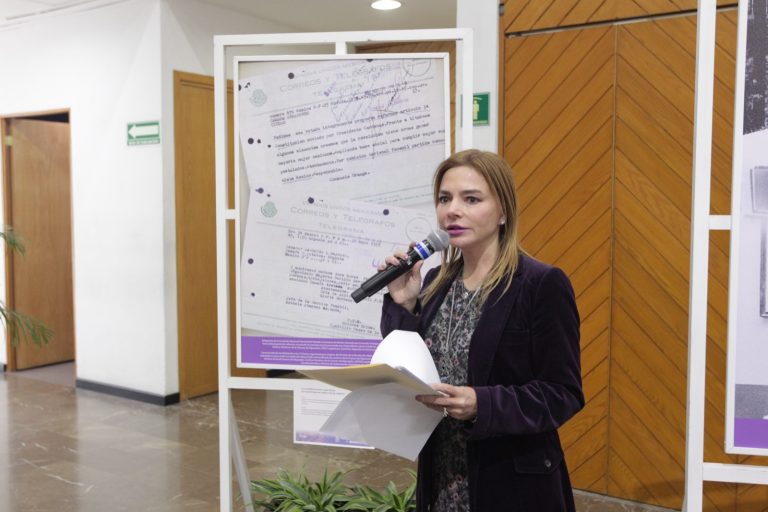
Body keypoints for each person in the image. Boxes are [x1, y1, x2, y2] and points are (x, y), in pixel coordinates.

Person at [379, 149, 584, 512]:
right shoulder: (435, 282)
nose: (452, 210)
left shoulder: (540, 284)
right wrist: (404, 304)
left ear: (503, 211)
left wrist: (482, 404)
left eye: (471, 199)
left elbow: (562, 393)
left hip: (510, 483)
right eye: (445, 199)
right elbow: (408, 366)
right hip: (441, 474)